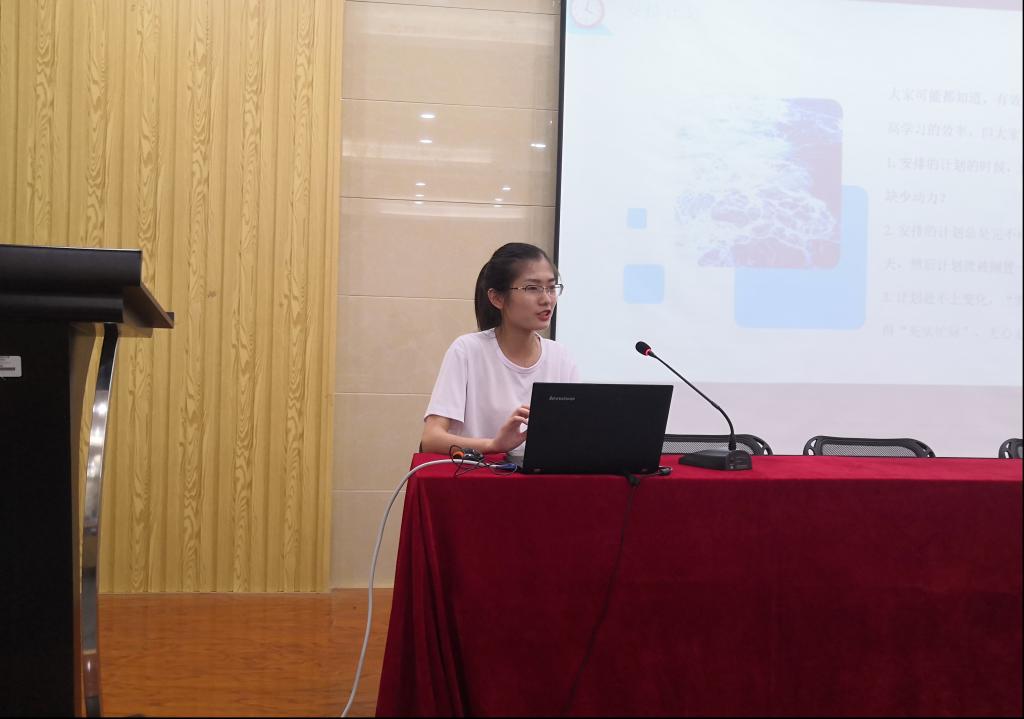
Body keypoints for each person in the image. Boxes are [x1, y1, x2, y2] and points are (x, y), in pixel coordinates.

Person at [420, 242, 578, 455]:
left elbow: (574, 434)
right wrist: (494, 446)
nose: (546, 299)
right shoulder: (467, 350)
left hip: (539, 475)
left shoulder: (561, 357)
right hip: (479, 473)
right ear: (497, 298)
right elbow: (431, 439)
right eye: (532, 288)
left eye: (551, 287)